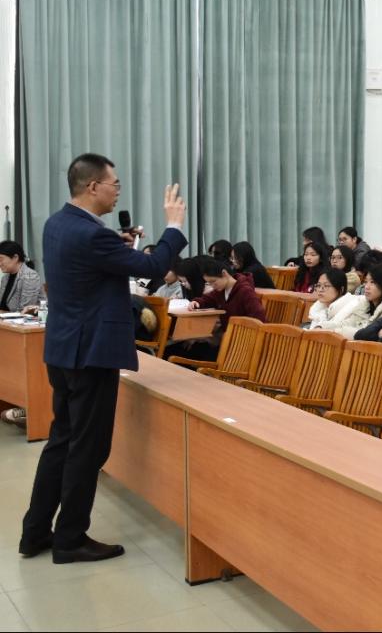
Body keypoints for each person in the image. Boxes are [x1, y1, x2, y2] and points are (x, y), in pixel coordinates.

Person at [20, 154, 187, 564]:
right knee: (88, 449)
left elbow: (91, 268)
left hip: (63, 349)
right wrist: (173, 226)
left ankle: (35, 533)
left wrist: (118, 247)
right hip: (91, 353)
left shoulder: (58, 223)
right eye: (115, 184)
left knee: (62, 441)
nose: (118, 192)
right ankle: (70, 538)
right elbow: (152, 266)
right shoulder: (93, 235)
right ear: (93, 186)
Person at [166, 257, 267, 362]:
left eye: (213, 282)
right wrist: (197, 302)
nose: (212, 286)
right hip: (229, 338)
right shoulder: (221, 290)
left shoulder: (245, 291)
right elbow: (207, 299)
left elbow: (259, 318)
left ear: (224, 274)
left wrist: (242, 334)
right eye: (208, 283)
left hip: (242, 340)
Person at [335, 263, 382, 338]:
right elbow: (346, 323)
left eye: (372, 282)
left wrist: (336, 332)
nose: (366, 287)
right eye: (366, 282)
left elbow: (367, 335)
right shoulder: (364, 304)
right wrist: (324, 327)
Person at [0, 240, 43, 313]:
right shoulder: (5, 278)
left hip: (24, 320)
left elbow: (25, 311)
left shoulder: (30, 276)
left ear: (15, 258)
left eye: (1, 259)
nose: (0, 263)